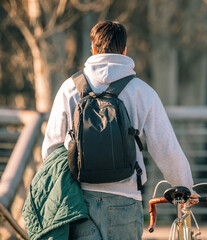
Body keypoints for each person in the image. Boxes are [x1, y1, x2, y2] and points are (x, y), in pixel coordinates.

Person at [42, 20, 198, 239]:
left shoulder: (69, 88)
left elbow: (51, 148)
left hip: (79, 202)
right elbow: (165, 147)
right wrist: (184, 187)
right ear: (124, 50)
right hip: (125, 200)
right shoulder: (142, 92)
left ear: (93, 49)